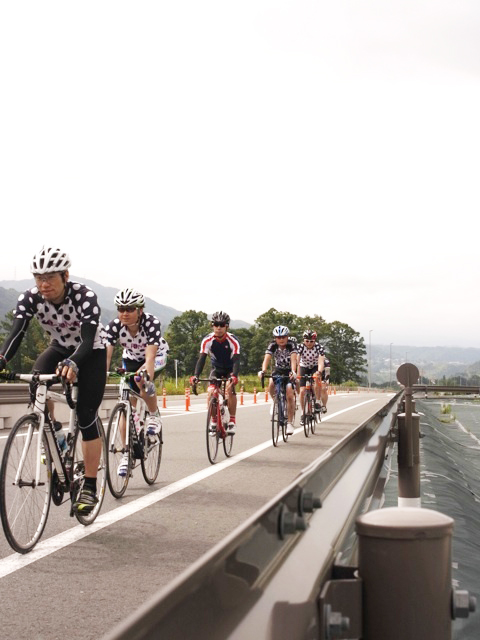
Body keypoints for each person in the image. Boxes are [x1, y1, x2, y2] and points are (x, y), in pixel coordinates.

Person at [0, 247, 106, 515]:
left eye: (49, 278)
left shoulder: (85, 297)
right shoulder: (30, 298)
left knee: (86, 415)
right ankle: (55, 432)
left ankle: (90, 486)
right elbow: (16, 334)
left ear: (65, 276)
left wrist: (74, 363)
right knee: (36, 382)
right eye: (39, 278)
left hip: (90, 352)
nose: (43, 284)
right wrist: (2, 359)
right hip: (59, 347)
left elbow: (87, 340)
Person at [104, 288, 169, 476]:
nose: (124, 313)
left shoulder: (151, 323)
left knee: (141, 380)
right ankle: (127, 454)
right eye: (121, 309)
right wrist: (101, 376)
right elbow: (106, 356)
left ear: (140, 310)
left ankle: (153, 415)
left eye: (130, 309)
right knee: (126, 404)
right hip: (130, 358)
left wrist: (146, 376)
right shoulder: (114, 326)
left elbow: (150, 357)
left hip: (155, 356)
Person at [190, 311, 240, 434]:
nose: (219, 327)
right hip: (216, 369)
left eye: (222, 325)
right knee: (211, 392)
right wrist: (196, 375)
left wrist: (234, 376)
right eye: (216, 324)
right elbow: (202, 358)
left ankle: (232, 421)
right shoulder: (207, 340)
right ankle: (213, 420)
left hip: (230, 368)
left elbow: (236, 360)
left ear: (227, 326)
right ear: (212, 325)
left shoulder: (233, 340)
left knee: (230, 388)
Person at [258, 325, 298, 436]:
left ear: (287, 337)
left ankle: (289, 423)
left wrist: (293, 371)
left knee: (289, 395)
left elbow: (294, 359)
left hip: (289, 371)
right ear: (275, 338)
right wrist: (263, 370)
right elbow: (266, 359)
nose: (281, 339)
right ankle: (274, 401)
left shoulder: (291, 345)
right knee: (271, 384)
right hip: (278, 370)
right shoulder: (272, 345)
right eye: (278, 337)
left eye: (283, 337)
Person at [296, 329, 325, 425]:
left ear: (314, 341)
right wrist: (296, 373)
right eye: (307, 341)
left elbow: (321, 361)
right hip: (304, 366)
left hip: (315, 366)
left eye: (311, 341)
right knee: (302, 391)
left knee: (316, 380)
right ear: (304, 340)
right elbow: (297, 360)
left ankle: (317, 401)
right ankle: (303, 412)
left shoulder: (319, 347)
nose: (309, 343)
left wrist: (319, 371)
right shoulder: (300, 347)